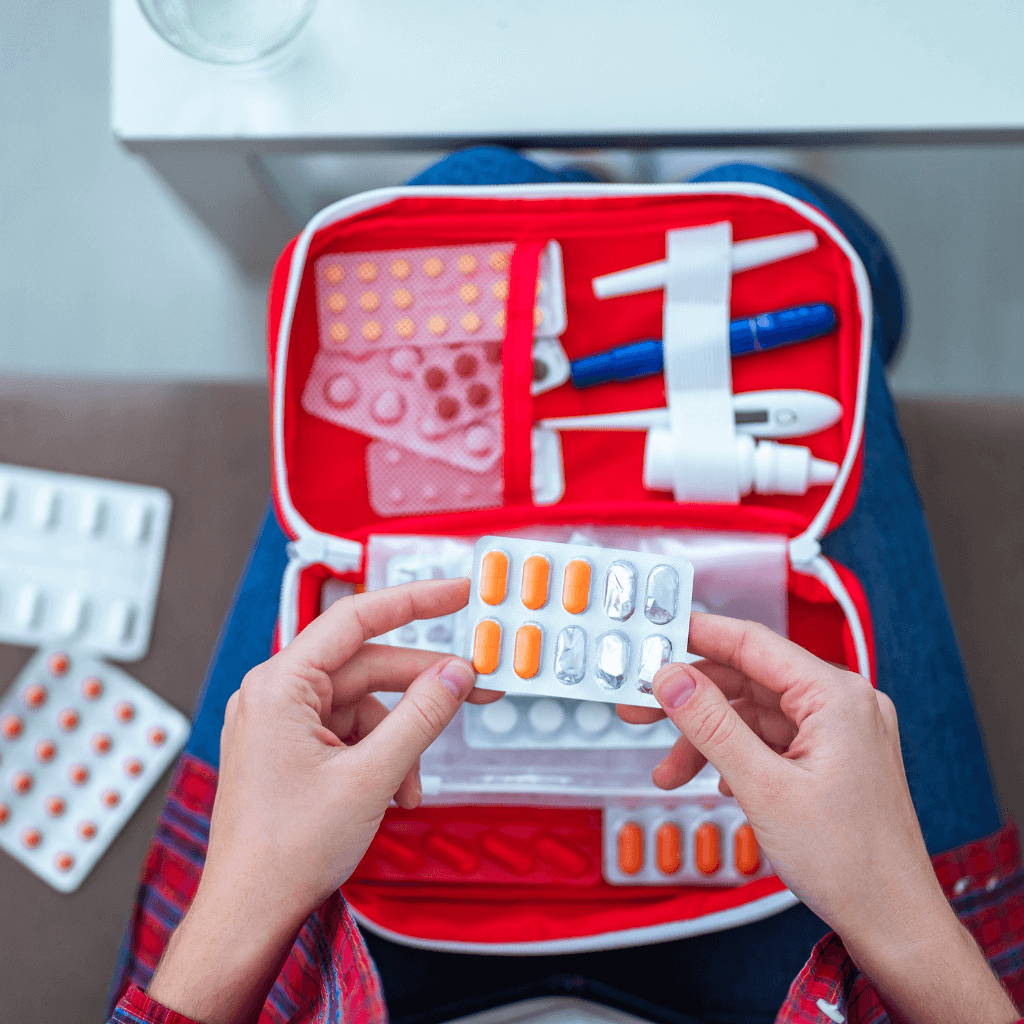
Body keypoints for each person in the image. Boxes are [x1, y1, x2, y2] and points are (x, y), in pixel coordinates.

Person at [105, 149, 1024, 1024]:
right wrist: (903, 918)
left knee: (476, 186)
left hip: (356, 977)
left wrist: (244, 897)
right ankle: (615, 200)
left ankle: (581, 196)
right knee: (768, 203)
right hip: (778, 977)